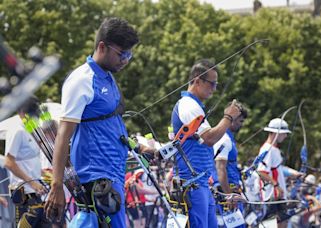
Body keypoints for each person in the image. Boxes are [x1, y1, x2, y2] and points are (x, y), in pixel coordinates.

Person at [44, 17, 151, 227]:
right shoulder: (82, 80)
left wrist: (138, 147)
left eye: (129, 55)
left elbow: (110, 128)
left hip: (114, 172)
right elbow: (63, 135)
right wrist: (56, 185)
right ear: (102, 46)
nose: (126, 60)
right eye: (122, 54)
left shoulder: (107, 77)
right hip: (98, 178)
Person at [171, 59, 241, 227]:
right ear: (197, 80)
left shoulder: (196, 106)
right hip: (191, 184)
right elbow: (209, 138)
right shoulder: (188, 105)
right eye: (212, 83)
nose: (214, 89)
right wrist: (228, 117)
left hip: (201, 184)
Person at [4, 97, 49, 227]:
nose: (35, 117)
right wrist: (32, 183)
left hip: (37, 192)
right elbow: (9, 162)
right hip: (25, 195)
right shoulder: (16, 130)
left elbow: (31, 156)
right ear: (22, 113)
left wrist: (43, 174)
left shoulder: (30, 126)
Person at [213, 101, 247, 226]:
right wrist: (229, 195)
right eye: (240, 121)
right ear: (232, 119)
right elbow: (220, 169)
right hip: (226, 194)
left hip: (229, 192)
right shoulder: (224, 138)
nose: (241, 125)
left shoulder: (228, 138)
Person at [256, 117, 294, 227]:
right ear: (275, 133)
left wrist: (293, 174)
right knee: (272, 224)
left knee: (283, 223)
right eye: (283, 133)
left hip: (278, 195)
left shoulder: (274, 149)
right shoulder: (267, 149)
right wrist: (276, 185)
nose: (285, 136)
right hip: (272, 195)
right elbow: (261, 172)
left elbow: (277, 170)